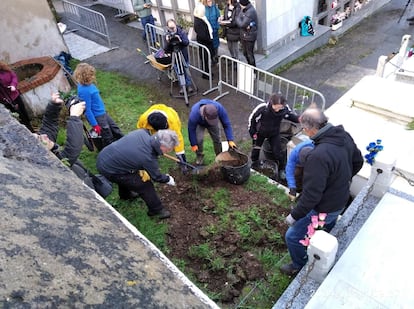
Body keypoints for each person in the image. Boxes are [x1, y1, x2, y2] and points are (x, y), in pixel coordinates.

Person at [280, 107, 363, 276]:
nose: (304, 132)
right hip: (341, 199)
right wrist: (340, 182)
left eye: (304, 129)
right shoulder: (344, 136)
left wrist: (294, 216)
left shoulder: (318, 156)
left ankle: (301, 266)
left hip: (324, 207)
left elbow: (312, 196)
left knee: (293, 237)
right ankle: (322, 235)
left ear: (310, 129)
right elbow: (358, 161)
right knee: (325, 225)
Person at [35, 93, 112, 198]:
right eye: (39, 139)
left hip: (81, 173)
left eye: (37, 135)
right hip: (82, 189)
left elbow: (47, 128)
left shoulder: (43, 149)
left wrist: (54, 106)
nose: (43, 135)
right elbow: (72, 151)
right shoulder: (52, 163)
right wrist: (74, 117)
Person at [96, 129, 179, 219]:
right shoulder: (148, 158)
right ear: (162, 146)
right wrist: (168, 179)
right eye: (169, 149)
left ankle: (125, 195)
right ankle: (157, 210)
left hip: (105, 156)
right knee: (144, 185)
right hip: (109, 169)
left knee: (128, 176)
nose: (169, 151)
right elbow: (157, 177)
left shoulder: (142, 133)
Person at [73, 62, 123, 148]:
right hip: (97, 116)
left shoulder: (89, 84)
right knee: (107, 136)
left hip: (102, 113)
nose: (93, 77)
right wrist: (95, 125)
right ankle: (111, 152)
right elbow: (87, 110)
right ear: (85, 76)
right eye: (91, 75)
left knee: (115, 129)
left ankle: (125, 143)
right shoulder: (84, 91)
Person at [248, 93, 299, 172]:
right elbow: (252, 119)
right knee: (256, 149)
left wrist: (300, 119)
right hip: (260, 133)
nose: (277, 110)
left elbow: (291, 116)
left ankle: (282, 169)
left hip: (274, 133)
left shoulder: (285, 108)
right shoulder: (263, 108)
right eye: (276, 108)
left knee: (277, 152)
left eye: (280, 108)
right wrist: (252, 132)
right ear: (272, 103)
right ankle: (254, 164)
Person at [137, 103, 189, 173]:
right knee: (154, 142)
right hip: (153, 126)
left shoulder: (172, 122)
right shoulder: (143, 120)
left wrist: (180, 154)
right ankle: (155, 153)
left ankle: (182, 163)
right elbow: (141, 132)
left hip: (171, 117)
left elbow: (178, 139)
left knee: (171, 141)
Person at [188, 99, 236, 165]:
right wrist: (193, 144)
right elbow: (191, 130)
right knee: (198, 140)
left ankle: (219, 156)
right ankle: (199, 156)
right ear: (204, 115)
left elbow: (226, 124)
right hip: (199, 123)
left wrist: (230, 139)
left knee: (217, 139)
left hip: (213, 124)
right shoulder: (194, 114)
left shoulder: (219, 108)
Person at [0, 60, 34, 132]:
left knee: (24, 113)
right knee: (18, 117)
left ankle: (31, 128)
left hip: (15, 96)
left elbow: (13, 76)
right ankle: (27, 130)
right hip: (6, 101)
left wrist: (13, 85)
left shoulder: (5, 70)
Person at [164, 19, 194, 94]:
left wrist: (180, 40)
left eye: (173, 27)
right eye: (170, 28)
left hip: (183, 55)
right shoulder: (167, 35)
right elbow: (166, 49)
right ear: (167, 27)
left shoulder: (181, 32)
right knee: (178, 71)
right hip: (175, 57)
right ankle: (182, 86)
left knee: (186, 70)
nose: (172, 30)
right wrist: (168, 42)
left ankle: (189, 85)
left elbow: (186, 42)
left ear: (175, 25)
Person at [193, 2, 215, 80]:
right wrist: (209, 40)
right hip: (204, 43)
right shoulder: (198, 21)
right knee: (205, 59)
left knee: (206, 59)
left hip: (206, 42)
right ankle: (205, 74)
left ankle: (207, 72)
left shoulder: (201, 18)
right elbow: (202, 35)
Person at [235, 0, 258, 67]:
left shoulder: (250, 11)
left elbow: (242, 24)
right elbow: (243, 22)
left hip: (250, 36)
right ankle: (250, 67)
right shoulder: (244, 9)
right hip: (244, 35)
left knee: (249, 54)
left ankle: (254, 70)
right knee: (245, 53)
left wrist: (237, 18)